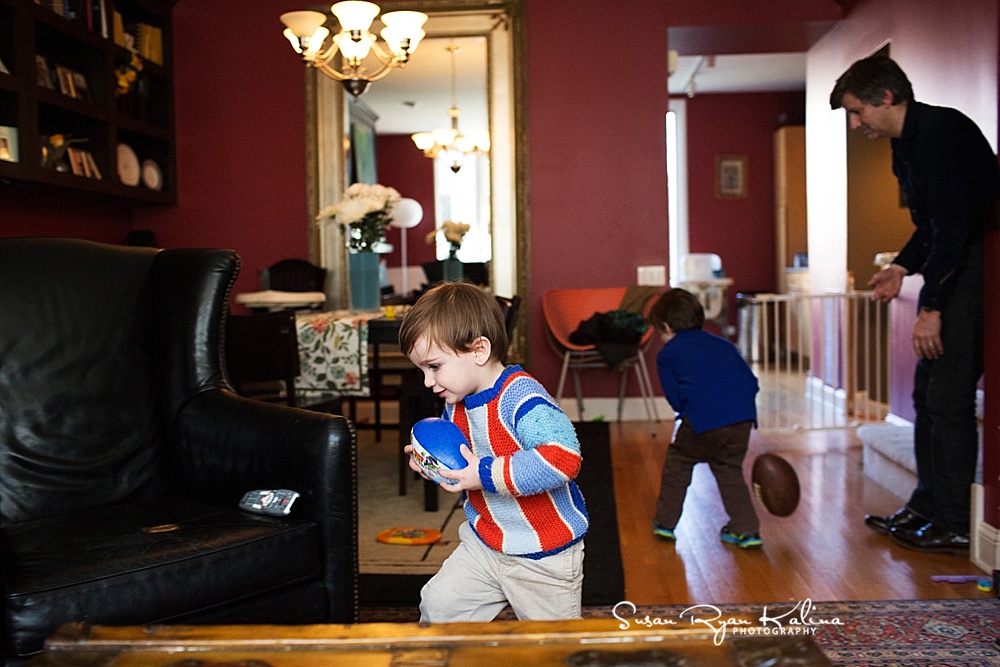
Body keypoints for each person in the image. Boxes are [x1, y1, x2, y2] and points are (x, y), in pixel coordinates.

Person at [831, 55, 1000, 553]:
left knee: (948, 399)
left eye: (858, 111)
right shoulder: (904, 146)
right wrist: (901, 267)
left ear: (886, 98)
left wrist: (933, 308)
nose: (856, 123)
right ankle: (927, 506)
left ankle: (955, 521)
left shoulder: (943, 132)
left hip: (972, 268)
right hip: (951, 261)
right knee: (926, 396)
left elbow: (954, 230)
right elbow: (927, 228)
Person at [398, 282, 588, 622]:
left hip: (544, 553)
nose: (428, 381)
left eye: (435, 366)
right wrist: (432, 465)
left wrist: (483, 473)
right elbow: (463, 466)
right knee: (439, 608)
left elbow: (563, 457)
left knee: (552, 647)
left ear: (479, 351)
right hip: (485, 542)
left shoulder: (521, 397)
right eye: (422, 370)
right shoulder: (455, 402)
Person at [648, 288, 762, 549]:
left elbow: (675, 399)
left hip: (704, 422)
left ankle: (665, 524)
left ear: (665, 326)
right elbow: (751, 382)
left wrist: (689, 412)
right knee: (729, 470)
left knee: (679, 464)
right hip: (742, 420)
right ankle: (748, 530)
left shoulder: (668, 354)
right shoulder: (724, 344)